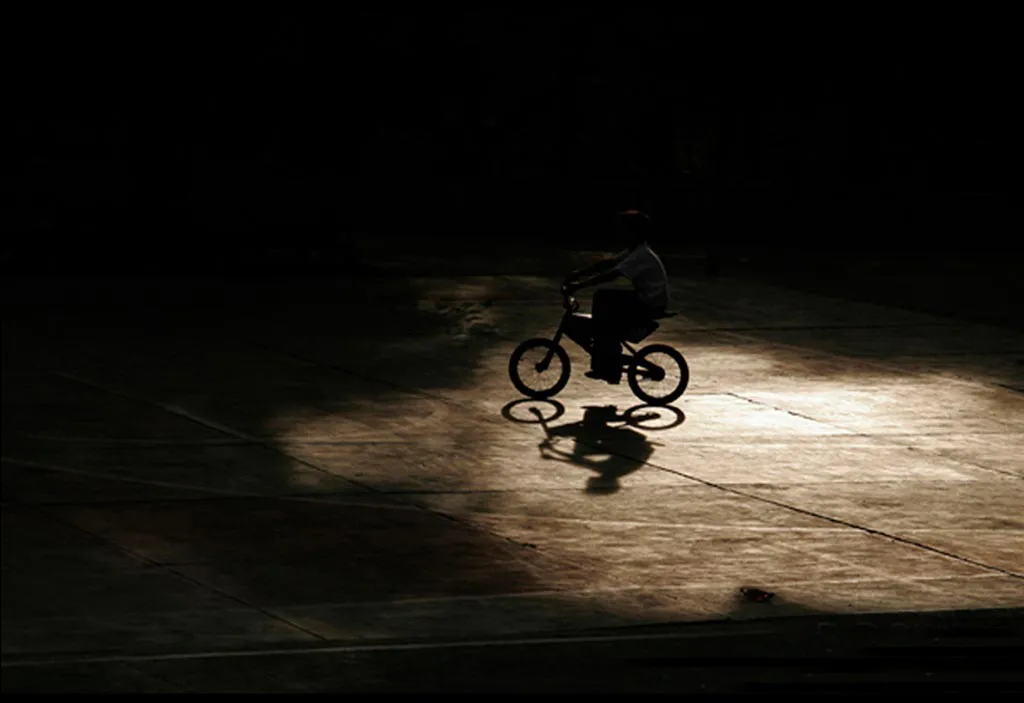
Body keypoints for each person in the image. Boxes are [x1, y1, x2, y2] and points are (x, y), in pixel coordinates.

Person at [563, 210, 669, 383]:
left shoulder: (640, 255)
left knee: (603, 300)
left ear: (633, 232)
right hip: (645, 299)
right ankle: (605, 357)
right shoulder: (634, 251)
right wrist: (579, 274)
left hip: (650, 303)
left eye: (625, 231)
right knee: (604, 308)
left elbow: (613, 274)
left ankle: (608, 365)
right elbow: (609, 263)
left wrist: (580, 285)